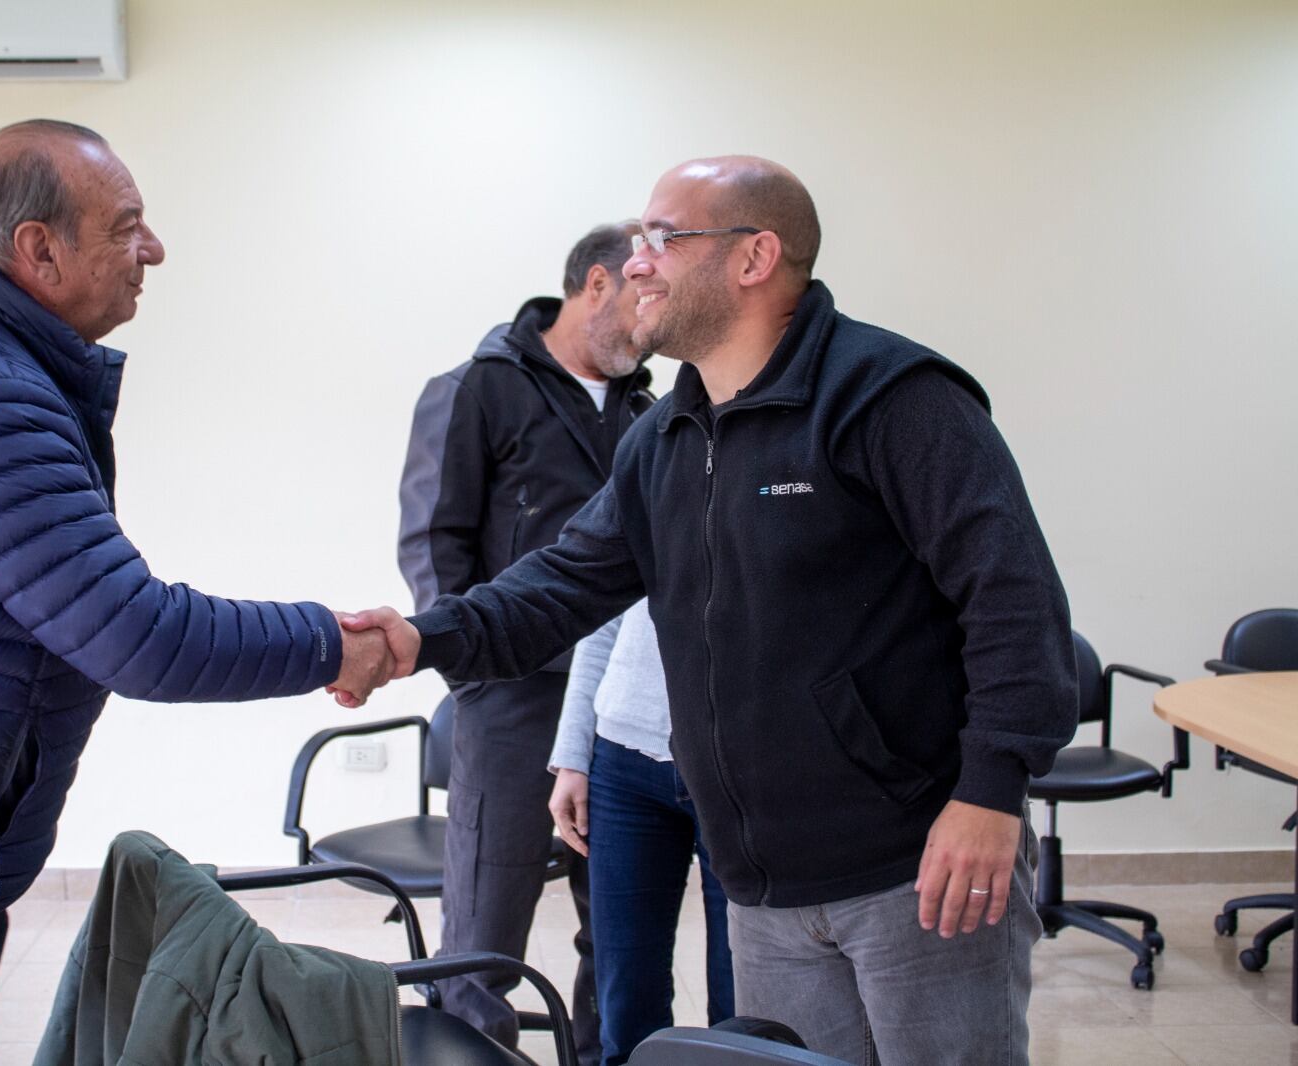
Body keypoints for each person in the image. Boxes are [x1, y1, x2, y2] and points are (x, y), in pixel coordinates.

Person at [337, 155, 1079, 1066]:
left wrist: (990, 792)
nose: (636, 261)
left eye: (663, 237)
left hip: (917, 868)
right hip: (764, 889)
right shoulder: (664, 438)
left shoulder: (893, 399)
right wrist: (421, 637)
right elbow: (562, 582)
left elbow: (1016, 604)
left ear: (755, 257)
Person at [0, 119, 393, 1066]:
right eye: (127, 225)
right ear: (38, 249)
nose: (154, 250)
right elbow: (139, 634)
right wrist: (336, 642)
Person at [396, 222, 655, 1060]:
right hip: (512, 695)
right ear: (593, 286)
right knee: (484, 928)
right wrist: (474, 678)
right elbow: (433, 545)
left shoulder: (651, 414)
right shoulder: (476, 388)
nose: (650, 317)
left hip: (621, 704)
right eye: (638, 296)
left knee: (617, 925)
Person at [548, 598, 734, 1065]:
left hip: (739, 764)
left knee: (740, 999)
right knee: (625, 1003)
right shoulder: (635, 519)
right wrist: (572, 754)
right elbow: (600, 618)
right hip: (623, 762)